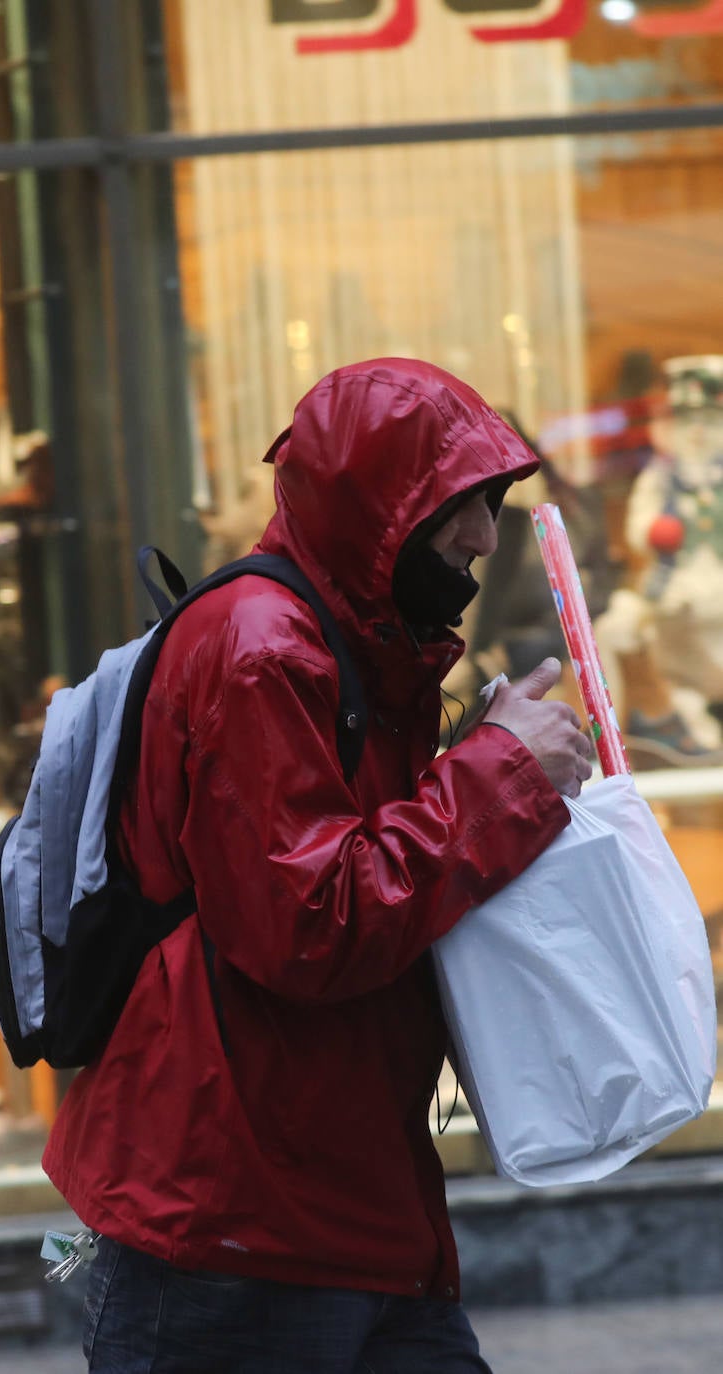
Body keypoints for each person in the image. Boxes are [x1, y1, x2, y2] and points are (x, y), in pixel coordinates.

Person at [43, 357, 593, 1373]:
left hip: (331, 1206)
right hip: (233, 1228)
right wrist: (499, 775)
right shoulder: (263, 647)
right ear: (380, 509)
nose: (483, 535)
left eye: (494, 503)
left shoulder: (358, 648)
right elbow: (309, 923)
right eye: (463, 505)